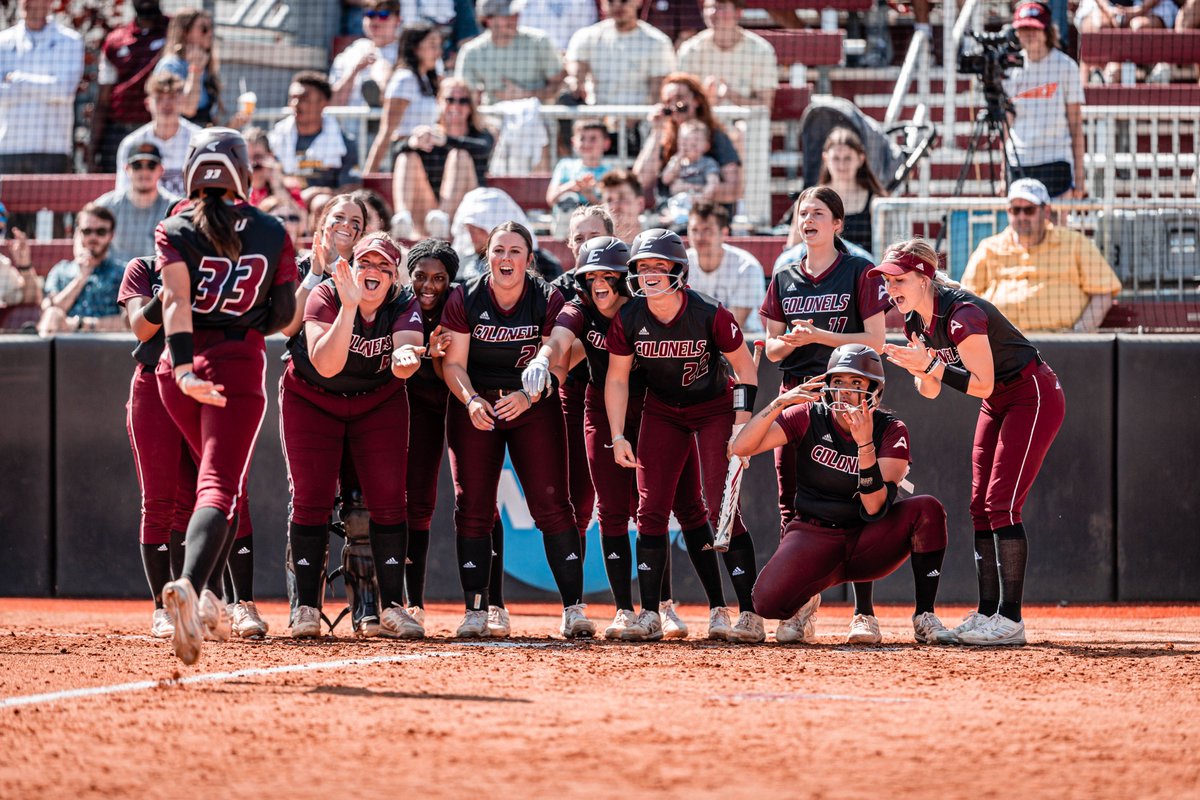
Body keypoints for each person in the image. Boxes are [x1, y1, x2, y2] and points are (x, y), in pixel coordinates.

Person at [877, 238, 1066, 646]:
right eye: (887, 281)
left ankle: (1010, 620)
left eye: (899, 280)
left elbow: (983, 383)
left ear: (925, 277)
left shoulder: (961, 312)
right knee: (979, 506)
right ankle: (987, 614)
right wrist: (922, 370)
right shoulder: (914, 320)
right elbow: (930, 390)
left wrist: (928, 364)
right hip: (998, 400)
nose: (891, 290)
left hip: (1030, 394)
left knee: (1002, 503)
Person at [157, 128, 297, 666]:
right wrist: (246, 320)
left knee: (216, 488)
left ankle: (208, 595)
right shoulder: (270, 229)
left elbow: (173, 302)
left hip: (179, 369)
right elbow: (284, 315)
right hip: (236, 366)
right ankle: (191, 589)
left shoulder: (172, 226)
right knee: (219, 486)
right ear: (242, 171)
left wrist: (187, 367)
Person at [527, 233, 707, 640]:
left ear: (626, 277)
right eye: (592, 276)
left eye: (610, 275)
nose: (600, 283)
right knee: (610, 509)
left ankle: (662, 607)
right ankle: (625, 611)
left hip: (656, 408)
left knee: (654, 508)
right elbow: (560, 337)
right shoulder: (580, 307)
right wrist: (542, 357)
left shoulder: (643, 305)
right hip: (601, 407)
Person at [604, 229, 763, 643]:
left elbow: (746, 371)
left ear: (678, 271)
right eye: (642, 267)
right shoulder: (629, 318)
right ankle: (652, 613)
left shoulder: (710, 312)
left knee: (721, 507)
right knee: (650, 508)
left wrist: (741, 426)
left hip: (714, 408)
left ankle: (748, 612)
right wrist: (618, 434)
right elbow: (617, 378)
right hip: (662, 410)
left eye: (659, 266)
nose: (650, 274)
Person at [439, 220, 594, 639]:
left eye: (515, 251)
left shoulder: (546, 296)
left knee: (552, 504)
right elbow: (451, 363)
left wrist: (529, 397)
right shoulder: (465, 296)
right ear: (487, 256)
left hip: (532, 402)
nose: (506, 258)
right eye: (498, 250)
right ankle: (477, 609)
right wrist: (471, 400)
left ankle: (573, 609)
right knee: (472, 504)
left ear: (529, 258)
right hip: (478, 403)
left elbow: (559, 360)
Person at [735, 344, 951, 644]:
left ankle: (924, 614)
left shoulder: (891, 430)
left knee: (928, 509)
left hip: (868, 540)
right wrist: (779, 403)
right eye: (838, 382)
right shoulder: (808, 415)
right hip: (814, 534)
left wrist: (865, 446)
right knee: (766, 603)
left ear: (873, 390)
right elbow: (741, 447)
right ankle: (808, 597)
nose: (845, 391)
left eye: (856, 383)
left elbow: (874, 507)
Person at [758, 186, 889, 643]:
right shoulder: (784, 275)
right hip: (797, 396)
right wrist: (791, 341)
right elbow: (772, 348)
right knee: (791, 504)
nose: (807, 219)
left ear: (837, 224)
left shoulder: (859, 270)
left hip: (848, 396)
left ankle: (864, 614)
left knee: (858, 501)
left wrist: (819, 337)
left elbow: (875, 341)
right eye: (801, 213)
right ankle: (799, 610)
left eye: (818, 212)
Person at [283, 232, 427, 639]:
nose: (374, 272)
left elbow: (405, 359)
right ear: (351, 267)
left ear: (395, 275)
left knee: (387, 499)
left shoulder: (403, 302)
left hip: (376, 400)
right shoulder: (326, 295)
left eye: (384, 266)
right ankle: (307, 608)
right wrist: (348, 308)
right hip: (313, 397)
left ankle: (391, 607)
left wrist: (404, 358)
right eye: (366, 263)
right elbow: (326, 364)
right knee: (311, 497)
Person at [118, 252, 268, 641]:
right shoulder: (145, 267)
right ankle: (163, 610)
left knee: (228, 491)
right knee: (160, 501)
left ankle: (234, 602)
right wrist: (171, 285)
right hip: (156, 381)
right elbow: (141, 329)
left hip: (212, 380)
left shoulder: (230, 268)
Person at [962, 179, 1121, 332]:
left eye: (1029, 210)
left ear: (1046, 211)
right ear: (1008, 212)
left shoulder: (1075, 243)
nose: (1022, 216)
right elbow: (965, 298)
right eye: (1016, 210)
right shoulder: (988, 248)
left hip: (1061, 342)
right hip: (1002, 347)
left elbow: (1103, 291)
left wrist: (1079, 333)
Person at [391, 77, 495, 240]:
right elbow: (395, 154)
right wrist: (413, 142)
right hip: (428, 215)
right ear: (439, 102)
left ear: (470, 107)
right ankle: (402, 217)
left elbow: (484, 148)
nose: (455, 106)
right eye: (450, 100)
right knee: (407, 155)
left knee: (459, 154)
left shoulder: (481, 134)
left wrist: (448, 140)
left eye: (463, 101)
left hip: (467, 215)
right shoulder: (430, 136)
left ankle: (443, 218)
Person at [1004, 1, 1087, 199]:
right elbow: (1005, 125)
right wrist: (1002, 174)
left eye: (1035, 27)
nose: (1029, 33)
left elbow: (1076, 126)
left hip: (1056, 160)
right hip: (1020, 161)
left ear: (1047, 31)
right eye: (1024, 28)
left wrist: (1080, 177)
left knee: (1057, 228)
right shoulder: (1011, 69)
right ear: (1016, 32)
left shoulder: (1066, 67)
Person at [633, 73, 743, 219]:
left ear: (696, 101)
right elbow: (640, 180)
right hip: (668, 216)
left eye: (679, 99)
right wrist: (656, 131)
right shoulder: (661, 136)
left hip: (707, 216)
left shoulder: (716, 137)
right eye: (668, 101)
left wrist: (691, 192)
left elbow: (734, 190)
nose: (674, 106)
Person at [0, 0, 85, 175]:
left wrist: (15, 79)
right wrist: (47, 85)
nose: (31, 4)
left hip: (53, 148)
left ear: (49, 3)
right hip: (7, 147)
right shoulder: (2, 42)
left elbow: (64, 91)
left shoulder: (70, 41)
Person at [91, 0, 170, 172]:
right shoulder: (115, 40)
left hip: (161, 132)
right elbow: (103, 99)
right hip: (119, 133)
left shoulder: (174, 31)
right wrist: (92, 153)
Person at [565, 0, 675, 108]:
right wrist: (576, 82)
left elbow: (658, 91)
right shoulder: (586, 36)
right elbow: (576, 70)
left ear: (639, 1)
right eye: (611, 1)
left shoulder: (657, 42)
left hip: (639, 119)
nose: (617, 5)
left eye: (624, 0)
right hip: (596, 116)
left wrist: (641, 121)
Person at [38, 204, 129, 335]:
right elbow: (48, 312)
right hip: (65, 345)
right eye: (87, 231)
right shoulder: (61, 270)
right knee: (52, 313)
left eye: (101, 232)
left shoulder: (123, 272)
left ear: (111, 235)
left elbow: (129, 322)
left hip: (108, 347)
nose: (93, 237)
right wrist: (81, 278)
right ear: (78, 233)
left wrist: (82, 324)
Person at [365, 21, 443, 174]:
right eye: (432, 45)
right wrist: (370, 174)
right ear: (415, 48)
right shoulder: (404, 79)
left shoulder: (426, 79)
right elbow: (387, 131)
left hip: (429, 158)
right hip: (407, 158)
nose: (438, 52)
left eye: (439, 46)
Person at [455, 0, 565, 105]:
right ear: (488, 19)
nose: (514, 19)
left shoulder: (539, 41)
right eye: (507, 15)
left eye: (516, 13)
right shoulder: (471, 52)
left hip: (538, 120)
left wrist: (525, 95)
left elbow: (560, 83)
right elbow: (463, 95)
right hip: (491, 121)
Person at [269, 71, 361, 193]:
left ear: (323, 103)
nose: (295, 104)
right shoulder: (274, 139)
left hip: (323, 206)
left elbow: (351, 188)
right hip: (282, 203)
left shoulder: (345, 143)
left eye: (304, 98)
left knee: (320, 202)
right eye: (292, 98)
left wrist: (319, 193)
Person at [677, 0, 777, 111]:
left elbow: (765, 106)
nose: (713, 12)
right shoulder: (690, 50)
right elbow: (682, 105)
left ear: (738, 12)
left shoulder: (761, 50)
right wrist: (705, 98)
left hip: (746, 123)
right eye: (709, 7)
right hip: (702, 125)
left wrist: (731, 95)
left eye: (721, 7)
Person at [115, 73, 203, 198]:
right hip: (148, 215)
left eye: (172, 97)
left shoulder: (199, 140)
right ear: (147, 103)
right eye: (159, 98)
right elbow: (123, 194)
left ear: (183, 101)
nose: (166, 104)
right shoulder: (131, 144)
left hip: (189, 214)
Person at [684, 199, 765, 332]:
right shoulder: (681, 265)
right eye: (694, 230)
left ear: (724, 233)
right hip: (694, 342)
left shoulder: (746, 267)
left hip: (743, 342)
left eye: (707, 230)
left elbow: (733, 323)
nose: (699, 237)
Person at [96, 143, 181, 266]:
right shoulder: (106, 206)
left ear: (161, 170)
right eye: (137, 166)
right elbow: (82, 231)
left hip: (158, 279)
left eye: (151, 166)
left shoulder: (175, 208)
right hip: (115, 280)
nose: (144, 171)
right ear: (127, 169)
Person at [817, 127, 887, 255]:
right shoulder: (812, 199)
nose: (842, 165)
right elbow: (794, 247)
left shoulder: (876, 201)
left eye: (848, 158)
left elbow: (886, 248)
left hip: (863, 271)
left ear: (861, 159)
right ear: (825, 158)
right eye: (836, 158)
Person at [153, 7, 223, 126]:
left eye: (211, 28)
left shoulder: (207, 66)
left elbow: (210, 117)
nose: (210, 34)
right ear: (185, 32)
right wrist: (195, 70)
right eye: (204, 29)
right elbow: (187, 108)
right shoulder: (170, 65)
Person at [330, 0, 403, 111]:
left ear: (398, 20)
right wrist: (355, 70)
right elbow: (333, 103)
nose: (375, 20)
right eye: (370, 14)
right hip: (350, 126)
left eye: (383, 15)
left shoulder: (409, 52)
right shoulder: (351, 52)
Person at [546, 119, 612, 235]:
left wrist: (589, 195)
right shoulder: (564, 166)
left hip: (596, 225)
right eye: (582, 139)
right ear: (573, 143)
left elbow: (610, 208)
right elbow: (551, 198)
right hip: (564, 228)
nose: (586, 144)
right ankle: (568, 232)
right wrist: (572, 186)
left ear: (606, 143)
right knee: (569, 198)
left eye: (593, 139)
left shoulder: (610, 172)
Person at [659, 119, 721, 227]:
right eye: (685, 142)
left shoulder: (708, 163)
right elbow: (666, 179)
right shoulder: (677, 161)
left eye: (695, 143)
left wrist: (699, 193)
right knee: (670, 205)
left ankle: (680, 219)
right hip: (676, 202)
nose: (690, 146)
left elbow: (713, 184)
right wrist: (678, 157)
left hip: (696, 201)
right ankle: (676, 218)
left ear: (706, 145)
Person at [598, 169, 646, 245]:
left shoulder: (659, 240)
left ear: (640, 204)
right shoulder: (596, 245)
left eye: (622, 198)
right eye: (609, 200)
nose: (614, 206)